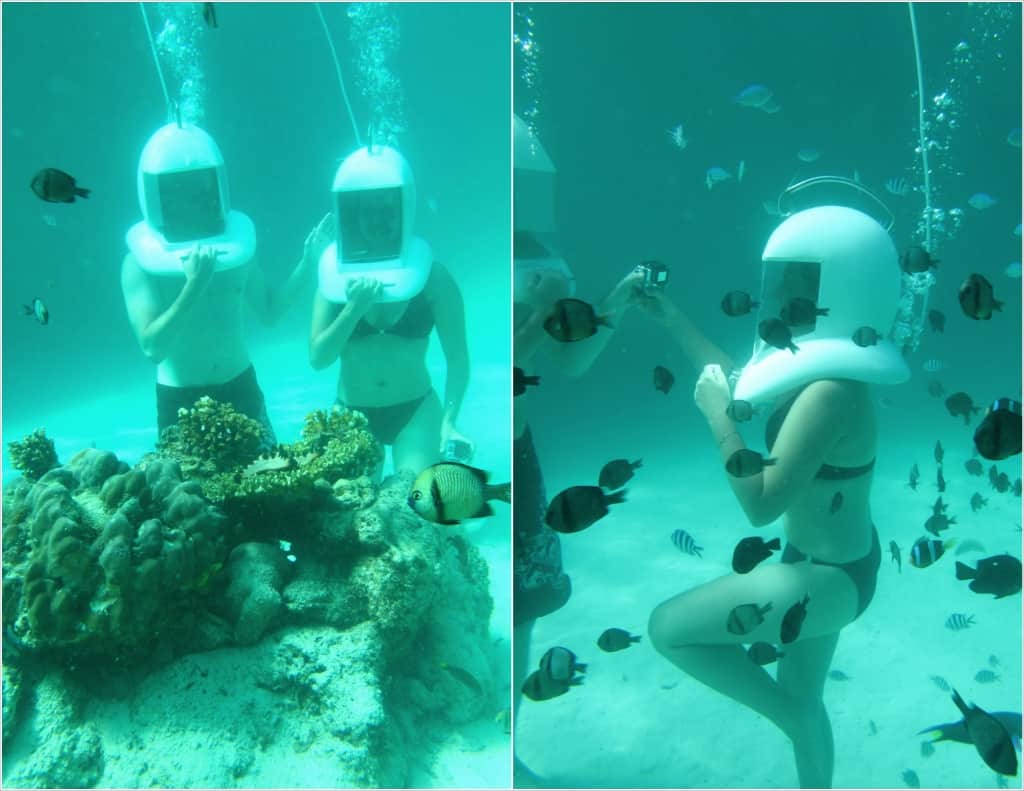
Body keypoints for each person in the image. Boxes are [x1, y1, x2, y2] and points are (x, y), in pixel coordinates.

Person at [643, 205, 910, 788]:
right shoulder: (823, 373)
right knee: (804, 698)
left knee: (669, 628)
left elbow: (760, 504)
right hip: (827, 564)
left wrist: (718, 420)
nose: (781, 296)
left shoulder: (831, 391)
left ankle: (787, 715)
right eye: (783, 282)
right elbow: (735, 379)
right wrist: (671, 317)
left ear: (841, 290)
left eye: (797, 283)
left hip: (829, 577)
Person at [512, 115, 646, 786]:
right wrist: (538, 315)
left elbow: (572, 364)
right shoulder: (483, 254)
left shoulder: (540, 261)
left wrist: (615, 300)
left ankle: (504, 751)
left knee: (527, 605)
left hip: (521, 452)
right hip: (477, 447)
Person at [121, 122, 314, 448]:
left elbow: (269, 312)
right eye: (189, 191)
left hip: (241, 386)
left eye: (205, 187)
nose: (204, 199)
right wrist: (194, 285)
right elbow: (153, 347)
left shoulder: (236, 254)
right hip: (180, 397)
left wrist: (308, 262)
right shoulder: (139, 266)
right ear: (162, 197)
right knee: (189, 499)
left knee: (271, 486)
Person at [307, 143, 472, 478]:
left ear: (404, 210)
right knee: (354, 516)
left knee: (412, 507)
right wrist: (354, 309)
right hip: (350, 413)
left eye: (388, 209)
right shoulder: (334, 278)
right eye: (370, 210)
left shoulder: (434, 278)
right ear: (354, 214)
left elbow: (458, 358)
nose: (379, 219)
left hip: (416, 411)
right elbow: (318, 359)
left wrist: (449, 423)